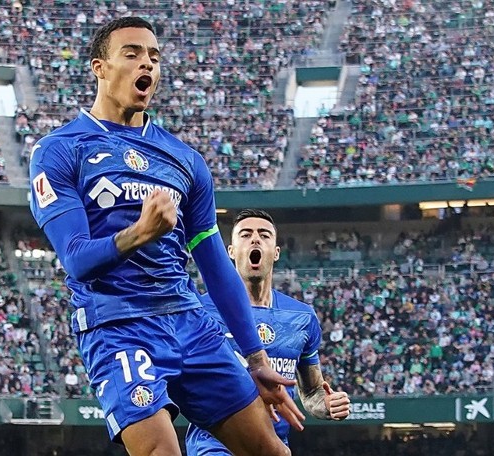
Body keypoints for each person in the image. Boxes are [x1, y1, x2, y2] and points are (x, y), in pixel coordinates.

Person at [29, 16, 303, 456]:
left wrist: (256, 358)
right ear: (100, 67)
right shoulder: (60, 150)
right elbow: (76, 259)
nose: (148, 64)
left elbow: (215, 266)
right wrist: (140, 233)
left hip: (188, 321)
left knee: (272, 451)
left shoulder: (184, 160)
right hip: (117, 326)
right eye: (132, 54)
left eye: (154, 57)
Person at [186, 209, 351, 455]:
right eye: (245, 235)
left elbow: (312, 392)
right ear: (231, 251)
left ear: (276, 252)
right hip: (215, 445)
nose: (255, 239)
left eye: (264, 235)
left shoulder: (302, 317)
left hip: (274, 446)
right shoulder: (203, 310)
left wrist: (326, 404)